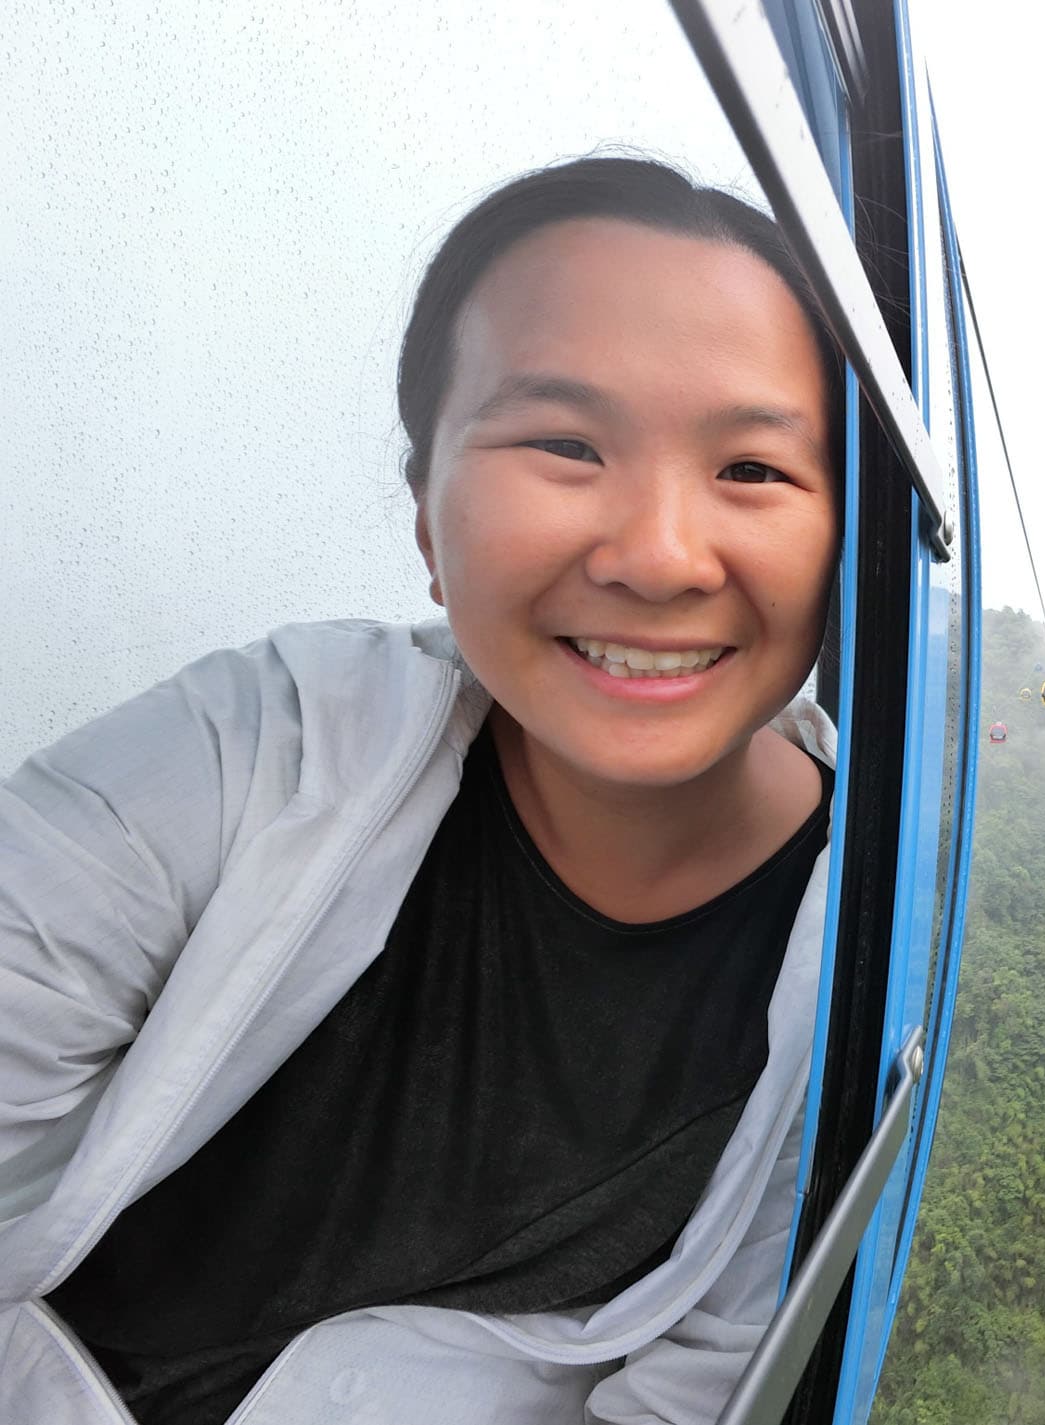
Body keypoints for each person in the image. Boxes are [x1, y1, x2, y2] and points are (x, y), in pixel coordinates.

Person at [0, 156, 845, 1425]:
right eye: (566, 443)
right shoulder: (264, 746)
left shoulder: (866, 956)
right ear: (423, 523)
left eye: (754, 471)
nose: (660, 558)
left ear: (857, 548)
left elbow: (702, 1390)